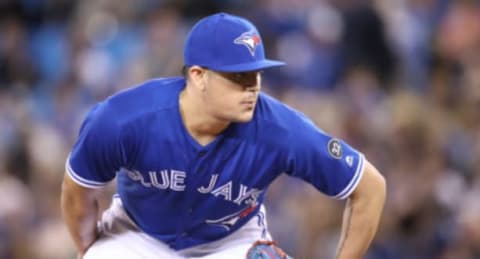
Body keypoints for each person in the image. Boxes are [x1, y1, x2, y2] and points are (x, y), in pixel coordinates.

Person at [61, 12, 386, 259]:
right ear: (199, 76)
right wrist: (90, 249)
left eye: (256, 74)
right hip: (138, 233)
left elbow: (370, 186)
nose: (253, 87)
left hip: (231, 241)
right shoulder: (123, 119)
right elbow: (78, 191)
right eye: (238, 76)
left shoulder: (281, 129)